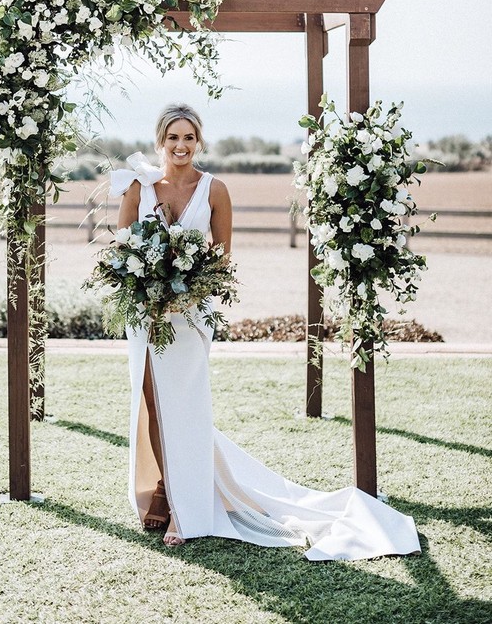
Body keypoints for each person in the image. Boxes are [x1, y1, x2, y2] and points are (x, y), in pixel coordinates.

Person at [110, 102, 421, 559]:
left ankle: (185, 508)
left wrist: (186, 295)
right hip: (147, 315)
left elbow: (222, 258)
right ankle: (162, 488)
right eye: (173, 137)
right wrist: (150, 293)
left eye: (189, 138)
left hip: (192, 314)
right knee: (152, 403)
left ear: (199, 142)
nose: (181, 146)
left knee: (186, 406)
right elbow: (120, 254)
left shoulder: (215, 190)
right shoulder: (138, 188)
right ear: (160, 140)